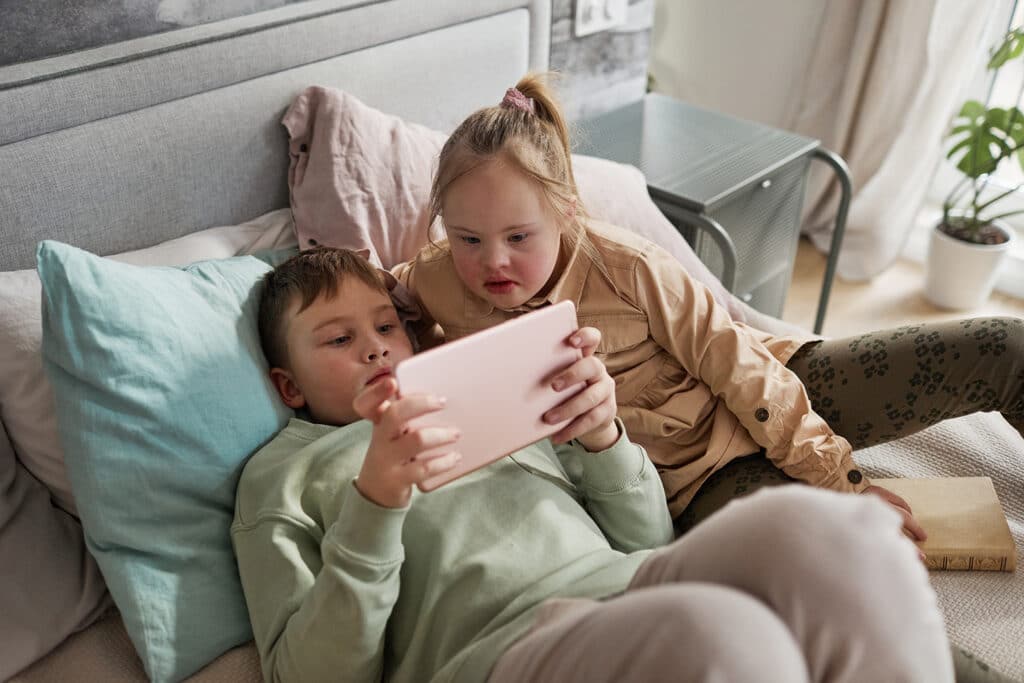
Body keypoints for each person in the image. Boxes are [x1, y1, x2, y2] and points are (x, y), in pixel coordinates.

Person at [231, 247, 952, 683]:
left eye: (387, 325)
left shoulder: (474, 391)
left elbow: (647, 539)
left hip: (626, 582)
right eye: (337, 339)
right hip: (497, 651)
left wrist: (602, 435)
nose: (376, 348)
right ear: (288, 385)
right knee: (723, 640)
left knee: (842, 534)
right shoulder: (282, 478)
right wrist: (379, 498)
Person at [391, 72, 1024, 536]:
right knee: (846, 567)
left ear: (566, 210)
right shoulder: (432, 281)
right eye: (468, 238)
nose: (492, 262)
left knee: (1008, 348)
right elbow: (366, 299)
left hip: (778, 383)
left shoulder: (629, 268)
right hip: (698, 484)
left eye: (518, 237)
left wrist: (837, 477)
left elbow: (738, 368)